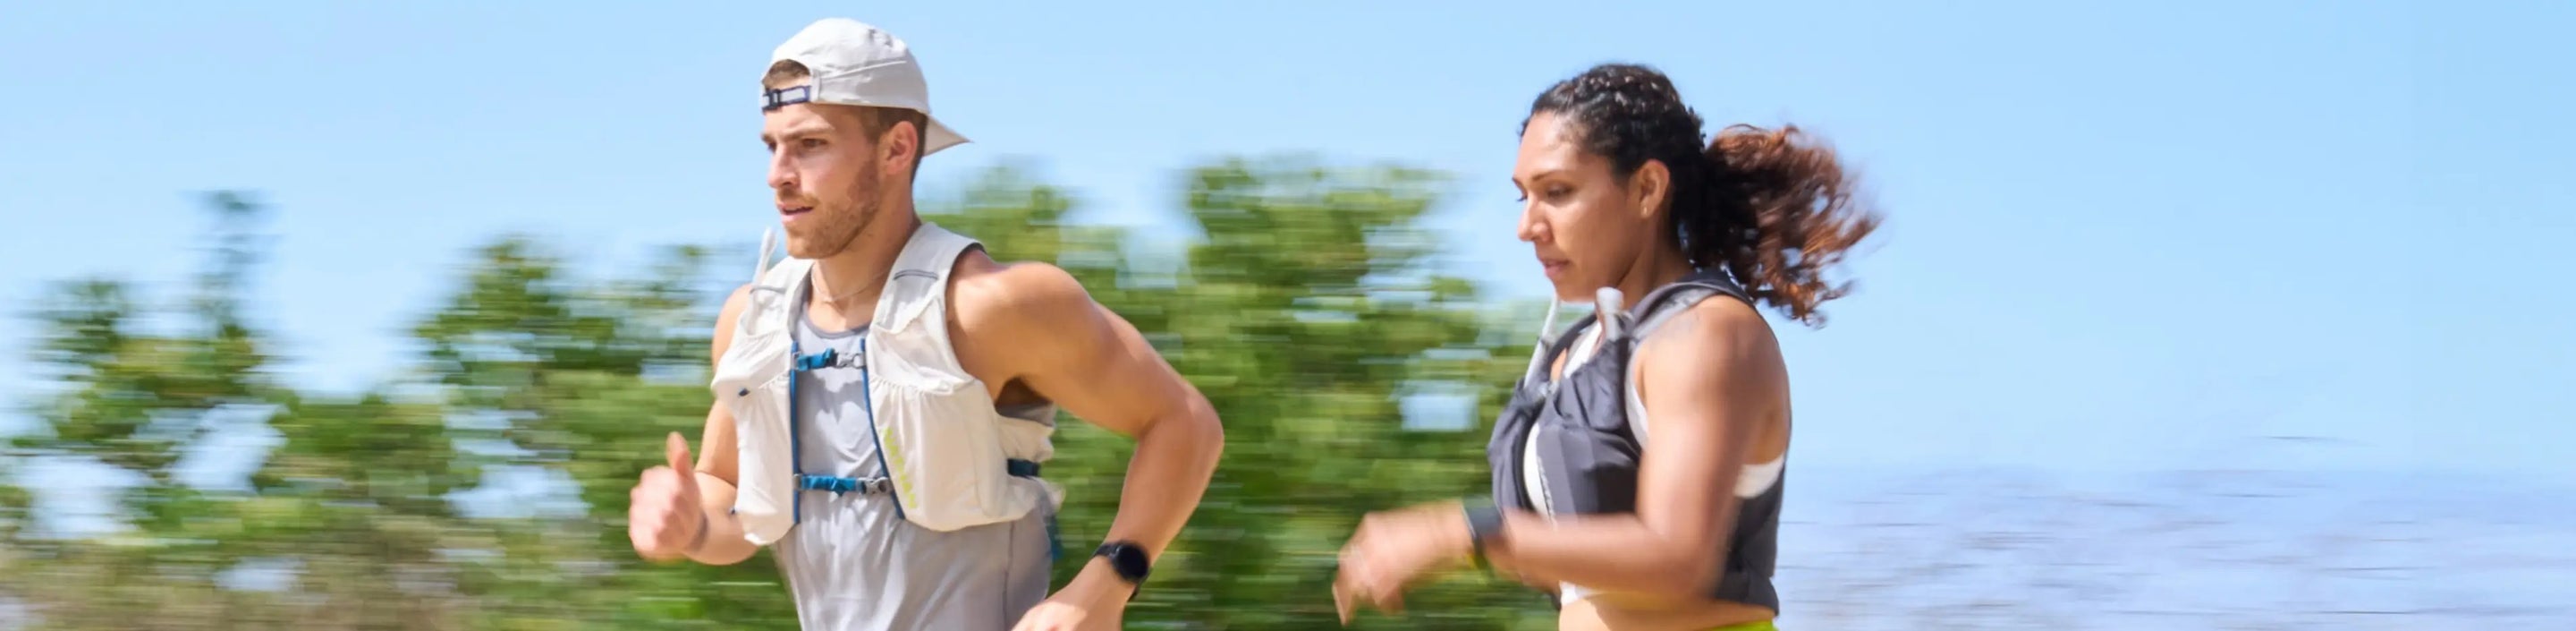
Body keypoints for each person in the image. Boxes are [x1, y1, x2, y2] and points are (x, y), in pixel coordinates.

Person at [623, 18, 1225, 631]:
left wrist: (1103, 585)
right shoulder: (750, 321)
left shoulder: (993, 305)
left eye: (810, 145)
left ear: (897, 149)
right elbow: (727, 496)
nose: (777, 174)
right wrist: (690, 522)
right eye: (771, 145)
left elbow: (1184, 421)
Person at [1329, 63, 1882, 630]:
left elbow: (1676, 557)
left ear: (1646, 189)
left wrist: (1459, 531)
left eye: (1557, 192)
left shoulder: (1708, 334)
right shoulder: (1577, 352)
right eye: (1523, 196)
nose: (1527, 225)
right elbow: (1567, 565)